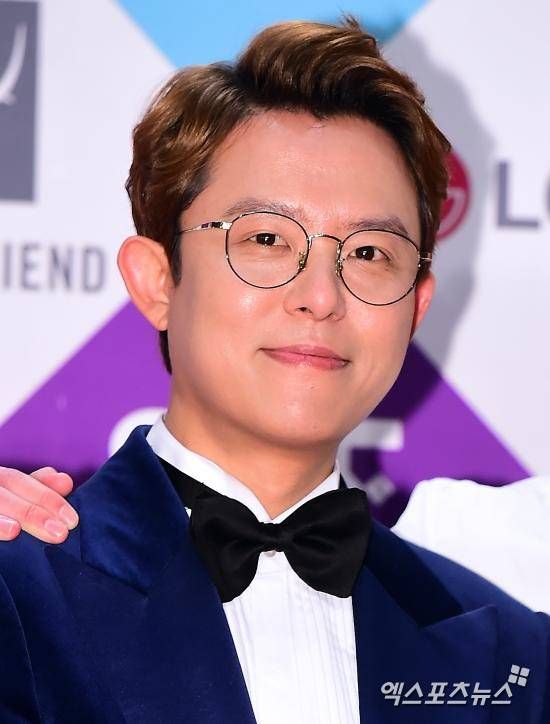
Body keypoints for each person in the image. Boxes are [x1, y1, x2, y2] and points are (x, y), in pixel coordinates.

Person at [0, 17, 548, 724]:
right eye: (265, 239)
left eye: (370, 253)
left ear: (415, 308)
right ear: (157, 280)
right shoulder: (20, 592)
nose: (321, 296)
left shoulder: (506, 655)